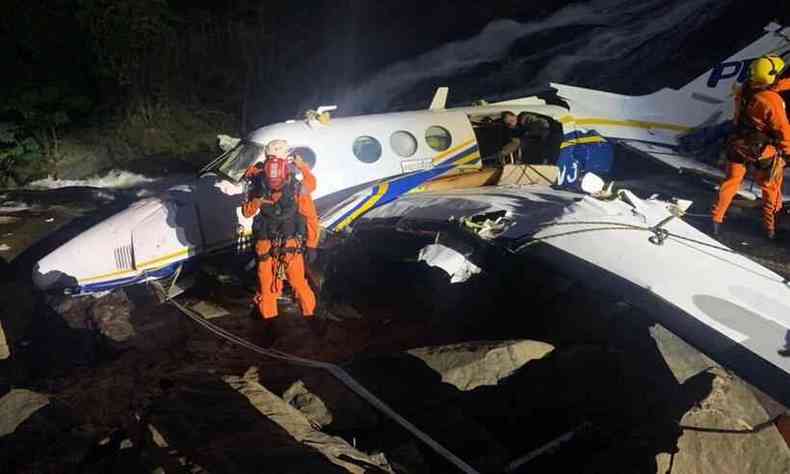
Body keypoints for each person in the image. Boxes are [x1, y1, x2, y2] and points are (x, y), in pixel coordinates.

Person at [711, 55, 790, 239]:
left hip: (737, 144)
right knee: (771, 188)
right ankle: (771, 229)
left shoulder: (745, 89)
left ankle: (716, 219)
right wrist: (787, 153)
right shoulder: (772, 101)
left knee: (731, 182)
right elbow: (783, 130)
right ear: (770, 76)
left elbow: (771, 87)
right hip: (762, 151)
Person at [241, 139, 317, 322]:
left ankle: (269, 326)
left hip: (265, 244)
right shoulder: (298, 187)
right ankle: (312, 321)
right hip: (290, 244)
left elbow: (247, 212)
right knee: (299, 283)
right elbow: (310, 216)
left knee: (267, 288)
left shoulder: (257, 183)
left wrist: (254, 191)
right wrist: (312, 245)